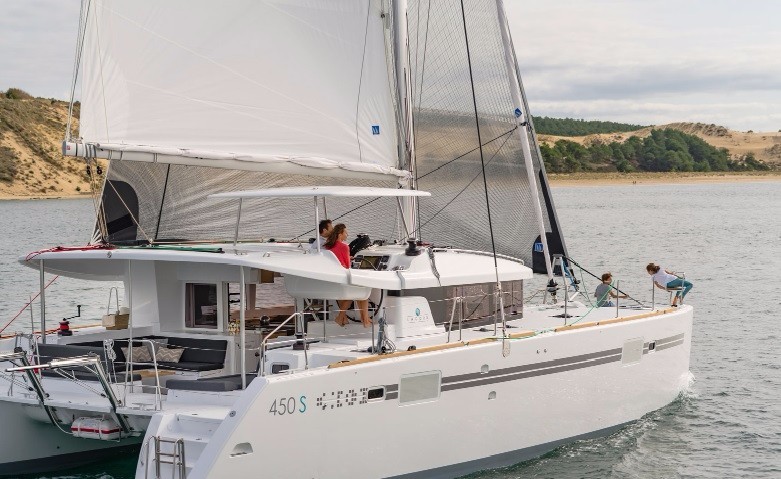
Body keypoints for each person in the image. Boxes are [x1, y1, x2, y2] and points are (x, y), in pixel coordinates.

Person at [324, 224, 371, 327]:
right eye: (345, 232)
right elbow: (348, 266)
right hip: (343, 277)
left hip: (333, 278)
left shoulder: (328, 246)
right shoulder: (344, 247)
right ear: (340, 234)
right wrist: (348, 258)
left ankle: (345, 319)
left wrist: (347, 257)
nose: (347, 234)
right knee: (363, 291)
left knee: (351, 293)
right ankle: (364, 320)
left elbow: (335, 259)